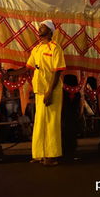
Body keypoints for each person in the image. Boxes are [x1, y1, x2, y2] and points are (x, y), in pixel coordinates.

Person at [25, 20, 65, 166]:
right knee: (39, 122)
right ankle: (39, 154)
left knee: (51, 123)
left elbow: (58, 71)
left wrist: (49, 91)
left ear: (49, 31)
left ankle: (51, 155)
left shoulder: (56, 48)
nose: (39, 29)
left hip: (51, 90)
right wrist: (9, 73)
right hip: (39, 90)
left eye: (42, 27)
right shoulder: (36, 49)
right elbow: (28, 67)